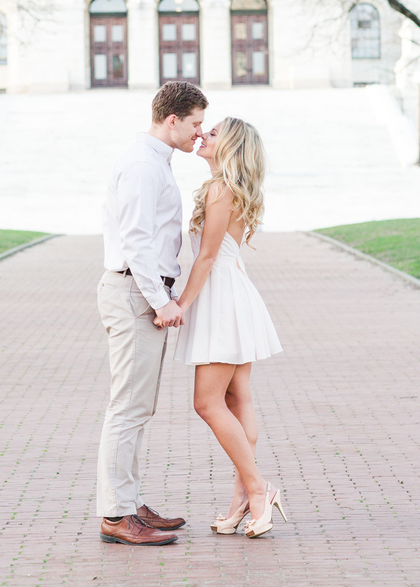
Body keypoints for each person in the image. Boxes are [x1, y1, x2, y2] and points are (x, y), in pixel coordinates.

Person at [97, 80, 208, 546]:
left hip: (140, 292)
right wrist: (161, 301)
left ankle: (129, 502)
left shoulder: (153, 161)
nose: (199, 134)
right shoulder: (144, 165)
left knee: (138, 408)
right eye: (196, 124)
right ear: (172, 120)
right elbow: (137, 241)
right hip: (135, 293)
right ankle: (117, 515)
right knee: (127, 407)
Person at [166, 117, 285, 538]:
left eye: (212, 133)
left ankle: (256, 488)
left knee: (208, 403)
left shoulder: (220, 189)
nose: (202, 135)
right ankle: (242, 499)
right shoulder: (231, 187)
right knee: (239, 400)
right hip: (235, 294)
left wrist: (178, 305)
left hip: (222, 298)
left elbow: (206, 258)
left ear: (230, 146)